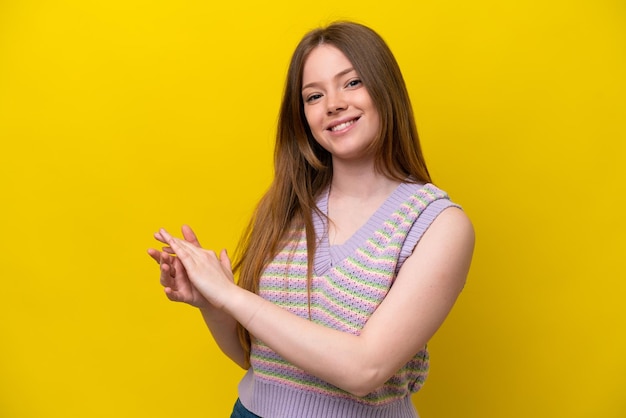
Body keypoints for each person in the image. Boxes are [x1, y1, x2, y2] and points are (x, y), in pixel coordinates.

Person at [148, 21, 474, 418]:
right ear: (303, 116)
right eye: (314, 96)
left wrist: (231, 295)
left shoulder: (437, 225)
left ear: (386, 89)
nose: (333, 104)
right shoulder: (289, 207)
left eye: (351, 83)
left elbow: (364, 368)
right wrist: (211, 304)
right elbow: (258, 360)